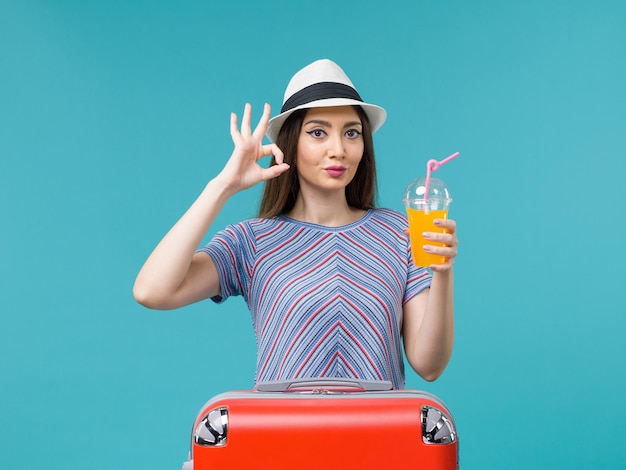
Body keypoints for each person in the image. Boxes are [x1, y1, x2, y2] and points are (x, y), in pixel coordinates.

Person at [133, 59, 458, 389]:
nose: (339, 150)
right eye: (318, 133)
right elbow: (152, 292)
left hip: (379, 434)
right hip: (282, 434)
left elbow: (429, 365)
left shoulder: (397, 233)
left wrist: (442, 272)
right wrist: (222, 186)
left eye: (352, 133)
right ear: (291, 143)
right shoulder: (251, 241)